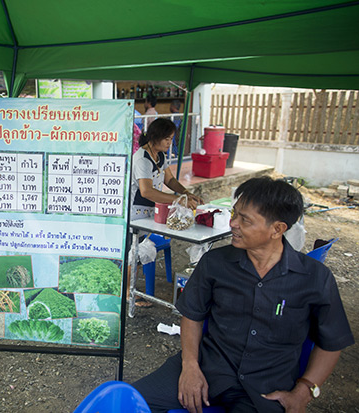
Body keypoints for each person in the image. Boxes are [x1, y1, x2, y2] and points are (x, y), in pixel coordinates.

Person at [132, 176, 354, 412]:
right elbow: (193, 315)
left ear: (277, 229)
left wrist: (305, 390)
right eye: (234, 214)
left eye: (244, 220)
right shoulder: (215, 263)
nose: (233, 224)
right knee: (126, 404)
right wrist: (190, 366)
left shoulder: (314, 278)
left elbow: (331, 342)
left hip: (265, 389)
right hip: (209, 366)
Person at [129, 118, 203, 307]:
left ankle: (132, 290)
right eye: (167, 139)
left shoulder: (159, 156)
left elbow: (169, 180)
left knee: (140, 251)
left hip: (149, 211)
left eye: (171, 139)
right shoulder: (141, 159)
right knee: (132, 251)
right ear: (156, 137)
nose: (170, 143)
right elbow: (146, 191)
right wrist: (179, 200)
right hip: (134, 212)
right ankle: (129, 294)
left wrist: (187, 193)